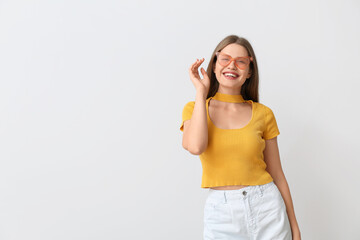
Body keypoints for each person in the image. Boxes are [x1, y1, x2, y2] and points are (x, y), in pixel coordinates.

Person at [179, 35, 301, 240]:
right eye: (225, 59)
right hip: (221, 213)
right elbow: (196, 146)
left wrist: (295, 227)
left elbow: (277, 174)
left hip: (267, 208)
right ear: (215, 65)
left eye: (241, 61)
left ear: (249, 71)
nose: (232, 66)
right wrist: (201, 93)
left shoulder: (264, 114)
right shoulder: (195, 108)